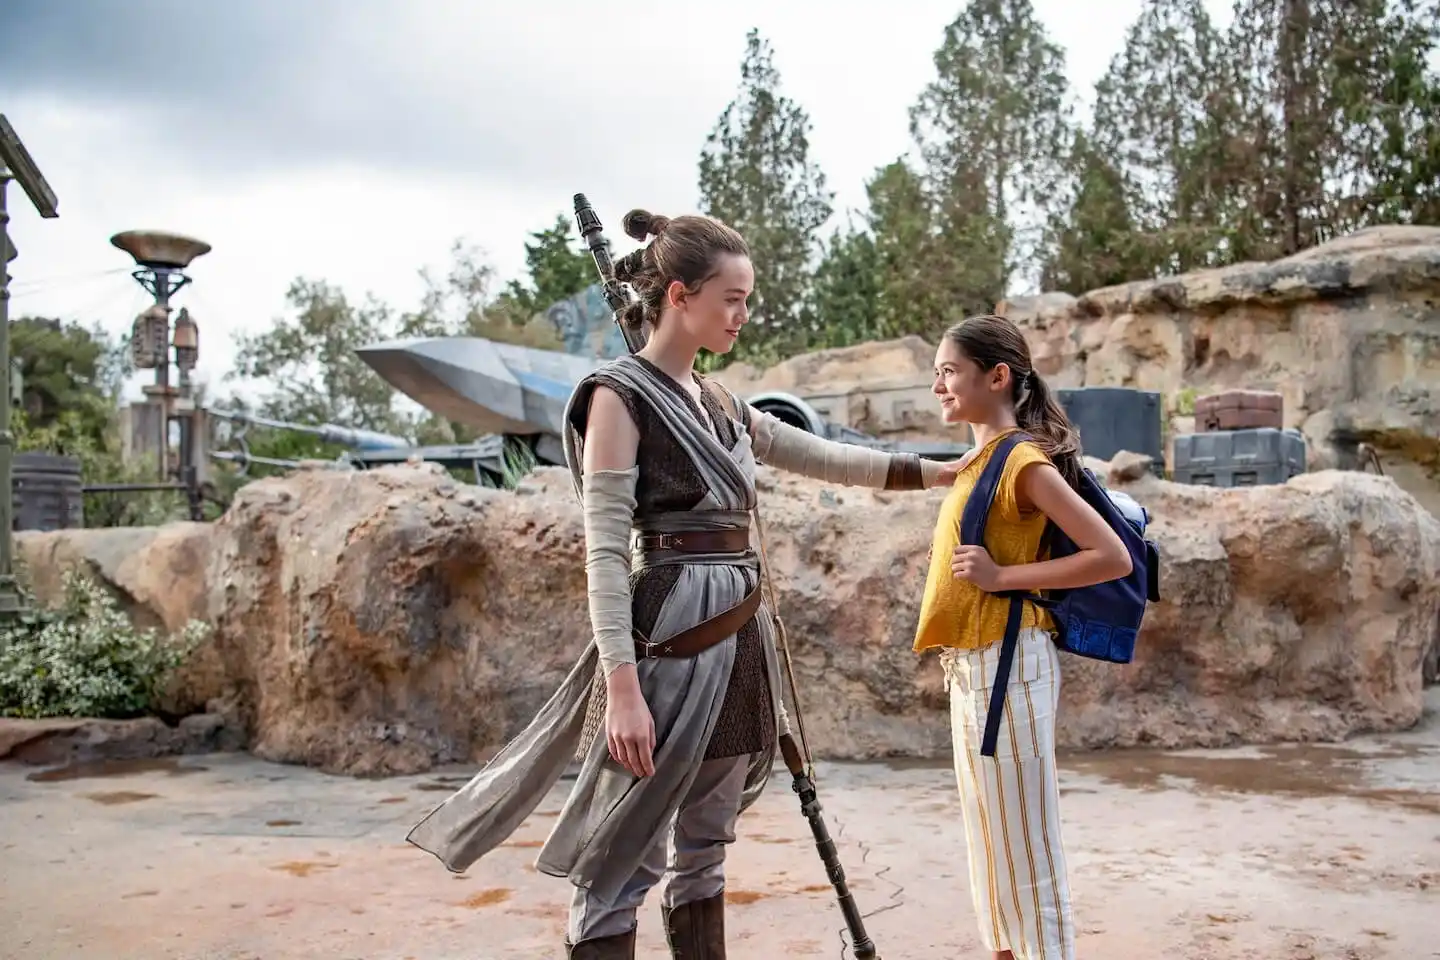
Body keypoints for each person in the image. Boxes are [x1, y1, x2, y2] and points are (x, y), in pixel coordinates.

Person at [407, 208, 963, 959]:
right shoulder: (618, 396)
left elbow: (827, 456)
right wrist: (624, 689)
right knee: (623, 857)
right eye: (730, 298)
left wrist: (939, 473)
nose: (742, 314)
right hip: (664, 644)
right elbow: (604, 555)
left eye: (746, 299)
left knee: (705, 850)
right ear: (679, 295)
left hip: (739, 642)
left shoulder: (724, 403)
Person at [912, 314, 1133, 960]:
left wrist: (1006, 574)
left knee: (1029, 851)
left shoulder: (1021, 462)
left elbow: (1111, 554)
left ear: (998, 376)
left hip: (1010, 667)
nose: (939, 387)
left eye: (950, 372)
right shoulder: (979, 460)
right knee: (990, 843)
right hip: (974, 670)